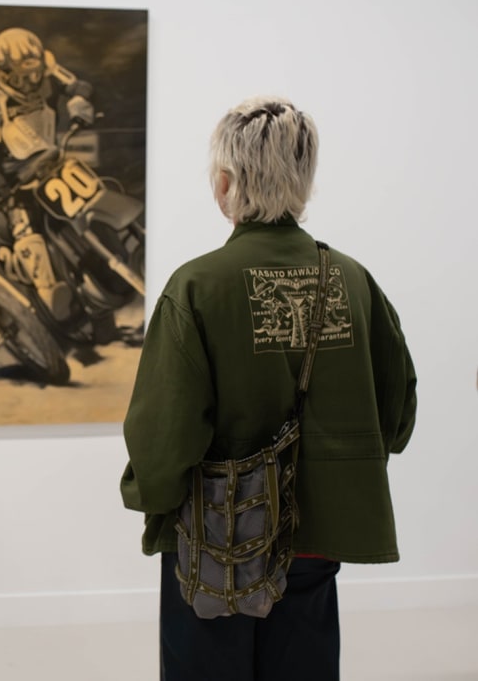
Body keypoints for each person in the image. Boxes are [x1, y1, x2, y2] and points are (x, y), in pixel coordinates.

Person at [119, 97, 417, 680]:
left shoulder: (199, 286)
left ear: (225, 183)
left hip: (215, 541)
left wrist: (147, 495)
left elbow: (163, 434)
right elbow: (398, 413)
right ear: (303, 180)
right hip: (316, 541)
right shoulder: (353, 280)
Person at [0, 27, 95, 321]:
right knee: (25, 233)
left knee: (94, 199)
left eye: (34, 75)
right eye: (21, 77)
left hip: (58, 163)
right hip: (19, 182)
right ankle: (51, 293)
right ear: (3, 71)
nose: (30, 82)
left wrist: (78, 101)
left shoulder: (48, 69)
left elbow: (78, 86)